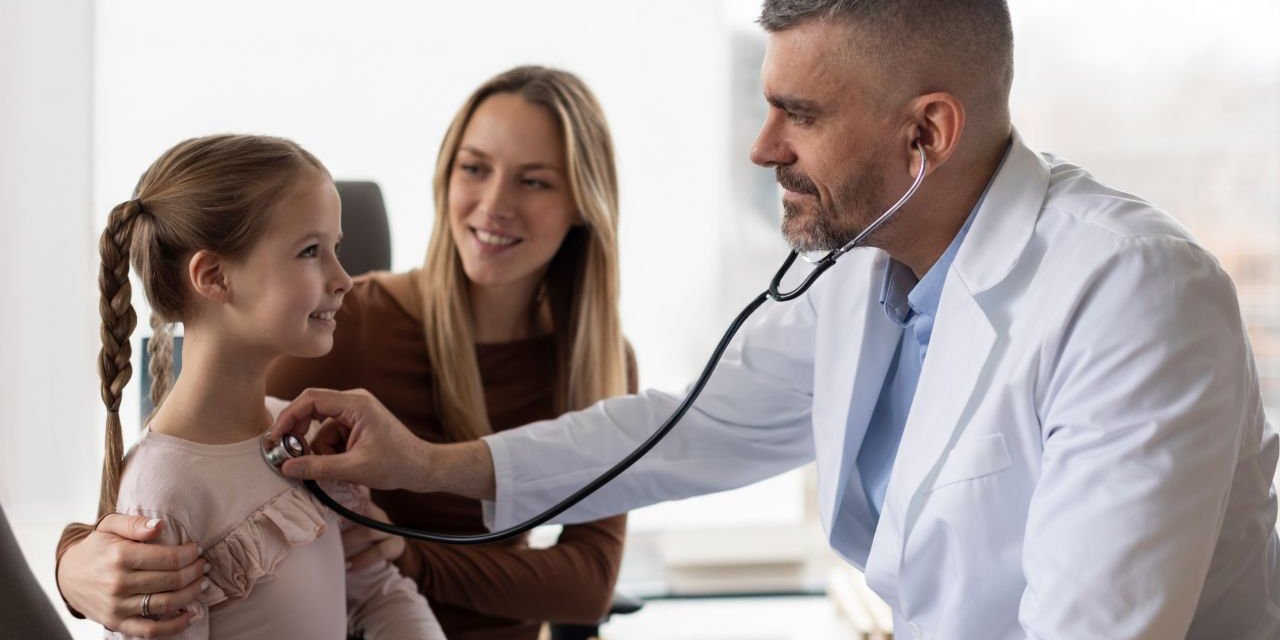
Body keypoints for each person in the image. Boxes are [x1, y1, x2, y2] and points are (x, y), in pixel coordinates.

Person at [266, 2, 1280, 639]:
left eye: (800, 113)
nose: (761, 147)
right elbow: (683, 431)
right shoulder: (861, 272)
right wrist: (429, 464)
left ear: (925, 134)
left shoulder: (1132, 294)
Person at [57, 67, 634, 640]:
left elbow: (588, 583)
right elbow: (197, 470)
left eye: (534, 181)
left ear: (584, 202)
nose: (494, 203)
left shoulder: (600, 356)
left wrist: (406, 554)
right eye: (475, 168)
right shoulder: (346, 330)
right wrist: (71, 560)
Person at [81, 134, 445, 639]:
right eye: (310, 251)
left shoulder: (304, 436)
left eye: (336, 249)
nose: (344, 278)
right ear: (214, 277)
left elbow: (379, 593)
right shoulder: (165, 496)